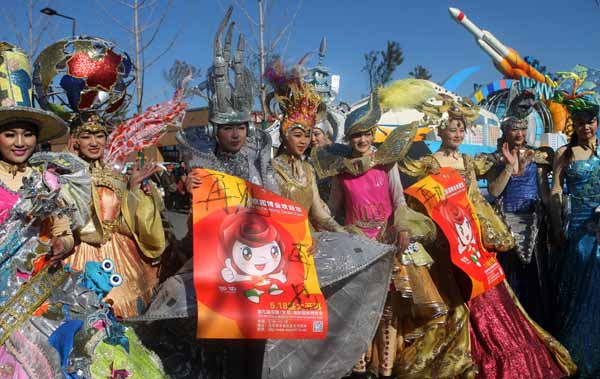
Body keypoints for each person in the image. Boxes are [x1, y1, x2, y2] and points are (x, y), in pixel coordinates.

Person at [399, 100, 576, 379]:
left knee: (494, 299)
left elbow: (478, 197)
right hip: (446, 241)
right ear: (441, 132)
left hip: (471, 238)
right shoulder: (430, 164)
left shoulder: (468, 162)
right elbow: (422, 202)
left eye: (461, 130)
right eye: (451, 130)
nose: (457, 135)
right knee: (456, 302)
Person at [312, 91, 446, 379]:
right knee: (357, 310)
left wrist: (402, 228)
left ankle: (385, 371)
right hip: (357, 247)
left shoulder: (387, 162)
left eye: (366, 133)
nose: (362, 140)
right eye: (356, 135)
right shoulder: (341, 172)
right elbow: (333, 209)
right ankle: (358, 371)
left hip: (388, 244)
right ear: (349, 139)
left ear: (374, 134)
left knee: (388, 311)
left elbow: (398, 201)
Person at [64, 114, 166, 318]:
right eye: (86, 136)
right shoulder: (64, 175)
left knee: (122, 311)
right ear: (76, 140)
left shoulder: (117, 177)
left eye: (99, 136)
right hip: (79, 253)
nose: (94, 142)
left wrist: (134, 188)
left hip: (119, 254)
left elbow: (123, 221)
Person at [483, 116, 552, 324]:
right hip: (506, 225)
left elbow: (545, 193)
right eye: (514, 129)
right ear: (505, 132)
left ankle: (536, 323)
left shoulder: (536, 157)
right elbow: (494, 191)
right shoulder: (495, 158)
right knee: (510, 276)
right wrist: (508, 165)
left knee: (535, 277)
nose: (520, 134)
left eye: (523, 129)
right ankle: (512, 324)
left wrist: (556, 219)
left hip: (533, 225)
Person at [550, 96, 600, 378]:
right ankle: (578, 353)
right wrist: (557, 224)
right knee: (578, 287)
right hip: (578, 229)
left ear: (597, 122)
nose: (586, 128)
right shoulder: (564, 153)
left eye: (590, 122)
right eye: (580, 123)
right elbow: (556, 190)